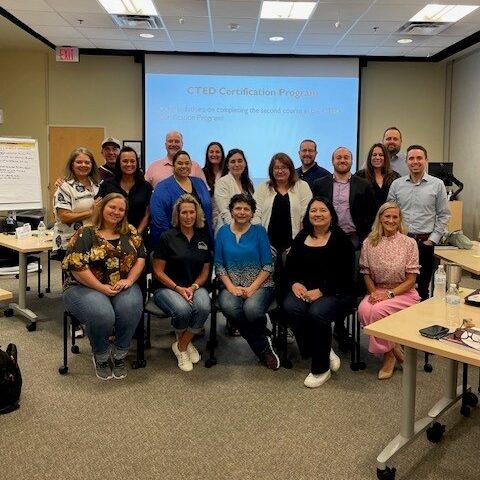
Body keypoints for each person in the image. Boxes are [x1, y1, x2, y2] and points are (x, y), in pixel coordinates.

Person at [62, 193, 146, 380]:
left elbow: (141, 257)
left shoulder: (130, 231)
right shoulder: (86, 232)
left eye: (121, 209)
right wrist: (101, 288)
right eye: (112, 207)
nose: (116, 212)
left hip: (121, 284)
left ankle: (119, 354)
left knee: (130, 307)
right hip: (82, 286)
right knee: (103, 314)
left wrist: (130, 280)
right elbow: (77, 267)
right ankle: (100, 356)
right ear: (102, 208)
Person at [283, 197, 355, 388]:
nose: (318, 214)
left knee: (317, 313)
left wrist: (322, 291)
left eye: (323, 210)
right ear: (308, 215)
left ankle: (321, 369)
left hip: (336, 292)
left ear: (331, 214)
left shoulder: (341, 239)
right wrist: (295, 283)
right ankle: (322, 348)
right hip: (305, 290)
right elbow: (290, 267)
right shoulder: (302, 236)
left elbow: (346, 275)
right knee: (291, 307)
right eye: (313, 210)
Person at [214, 193, 280, 370]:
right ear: (231, 211)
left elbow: (267, 265)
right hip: (231, 284)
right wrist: (230, 287)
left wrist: (251, 288)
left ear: (252, 213)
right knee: (229, 307)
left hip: (260, 284)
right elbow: (219, 265)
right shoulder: (222, 232)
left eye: (246, 209)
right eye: (238, 208)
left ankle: (261, 339)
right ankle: (263, 345)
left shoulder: (259, 231)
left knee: (251, 309)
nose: (242, 212)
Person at [358, 202, 421, 379]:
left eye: (395, 217)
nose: (391, 220)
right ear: (380, 218)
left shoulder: (409, 243)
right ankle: (393, 347)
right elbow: (366, 273)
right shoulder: (369, 242)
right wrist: (373, 294)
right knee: (363, 310)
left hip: (402, 292)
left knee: (377, 311)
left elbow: (411, 280)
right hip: (377, 290)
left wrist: (389, 295)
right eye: (387, 216)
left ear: (400, 219)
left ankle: (388, 356)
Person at [152, 195, 211, 372]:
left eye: (191, 212)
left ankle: (182, 345)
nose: (188, 216)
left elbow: (205, 271)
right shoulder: (166, 237)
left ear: (196, 214)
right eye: (184, 212)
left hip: (194, 286)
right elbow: (158, 271)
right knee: (183, 310)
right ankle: (185, 345)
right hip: (167, 287)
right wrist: (178, 288)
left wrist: (193, 287)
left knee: (203, 307)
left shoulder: (203, 238)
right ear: (178, 215)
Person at [387, 145, 450, 301]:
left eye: (419, 158)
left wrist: (432, 240)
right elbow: (390, 214)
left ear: (426, 160)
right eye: (411, 158)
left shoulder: (437, 184)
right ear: (407, 161)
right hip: (401, 242)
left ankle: (420, 322)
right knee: (399, 286)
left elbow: (443, 215)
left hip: (425, 243)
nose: (415, 161)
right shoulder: (397, 184)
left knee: (423, 289)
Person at [312, 146, 376, 250]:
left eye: (346, 157)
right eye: (339, 157)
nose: (342, 160)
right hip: (325, 235)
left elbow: (371, 213)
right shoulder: (319, 184)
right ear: (332, 161)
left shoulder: (364, 185)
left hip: (354, 237)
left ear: (351, 161)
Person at [150, 150, 213, 246]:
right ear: (173, 166)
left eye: (187, 163)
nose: (184, 166)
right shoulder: (162, 187)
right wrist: (171, 244)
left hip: (202, 241)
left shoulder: (199, 183)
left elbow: (207, 211)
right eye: (180, 163)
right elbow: (160, 221)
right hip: (175, 244)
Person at [52, 147, 101, 261]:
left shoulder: (98, 185)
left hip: (94, 241)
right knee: (76, 277)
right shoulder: (64, 187)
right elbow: (64, 217)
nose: (83, 165)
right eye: (79, 162)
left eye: (87, 162)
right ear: (72, 165)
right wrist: (90, 212)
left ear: (92, 165)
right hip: (71, 243)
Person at [97, 146, 152, 240]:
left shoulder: (146, 186)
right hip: (110, 237)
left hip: (138, 236)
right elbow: (99, 209)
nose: (129, 164)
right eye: (125, 161)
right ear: (119, 163)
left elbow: (147, 214)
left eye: (132, 161)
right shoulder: (107, 184)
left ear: (137, 163)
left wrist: (136, 234)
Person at [214, 148, 254, 228]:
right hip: (229, 230)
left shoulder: (248, 184)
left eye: (240, 161)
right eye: (233, 162)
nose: (237, 164)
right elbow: (225, 212)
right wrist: (238, 230)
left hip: (247, 230)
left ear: (245, 164)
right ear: (227, 165)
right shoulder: (222, 182)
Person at [355, 143, 400, 211]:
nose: (377, 158)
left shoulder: (395, 177)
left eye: (381, 155)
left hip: (388, 219)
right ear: (370, 157)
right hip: (366, 220)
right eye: (374, 155)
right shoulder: (359, 176)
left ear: (386, 158)